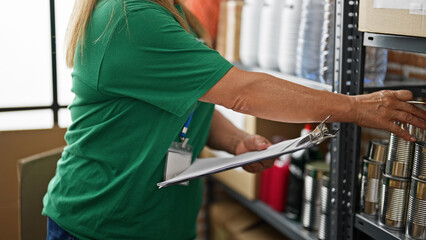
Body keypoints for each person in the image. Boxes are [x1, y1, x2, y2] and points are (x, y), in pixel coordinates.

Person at [43, 0, 426, 239]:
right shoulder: (128, 16)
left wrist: (236, 143)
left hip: (159, 222)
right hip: (105, 224)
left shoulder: (174, 15)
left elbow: (187, 105)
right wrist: (355, 107)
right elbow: (244, 92)